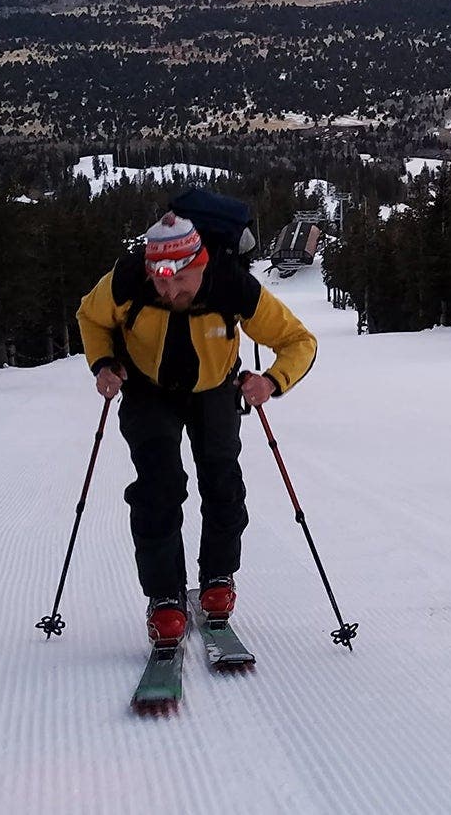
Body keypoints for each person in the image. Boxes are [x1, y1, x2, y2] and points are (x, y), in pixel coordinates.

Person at [76, 212, 317, 646]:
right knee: (158, 487)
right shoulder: (128, 278)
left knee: (223, 481)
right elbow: (91, 317)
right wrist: (103, 364)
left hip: (215, 389)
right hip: (148, 390)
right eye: (160, 280)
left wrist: (271, 380)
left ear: (201, 262)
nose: (168, 291)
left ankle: (217, 582)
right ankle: (166, 599)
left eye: (179, 280)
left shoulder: (232, 284)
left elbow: (299, 341)